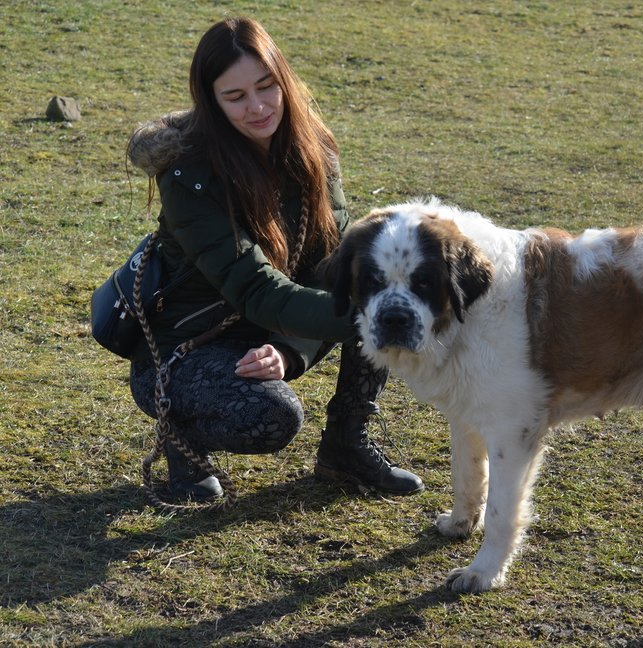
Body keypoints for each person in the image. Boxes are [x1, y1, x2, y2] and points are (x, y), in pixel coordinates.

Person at [125, 16, 423, 501]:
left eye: (266, 87)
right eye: (236, 96)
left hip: (266, 328)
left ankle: (346, 446)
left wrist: (289, 349)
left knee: (372, 289)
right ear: (212, 102)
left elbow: (333, 265)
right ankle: (183, 441)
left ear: (283, 79)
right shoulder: (189, 174)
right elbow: (255, 288)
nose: (258, 107)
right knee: (272, 418)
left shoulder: (313, 147)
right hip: (185, 349)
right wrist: (375, 319)